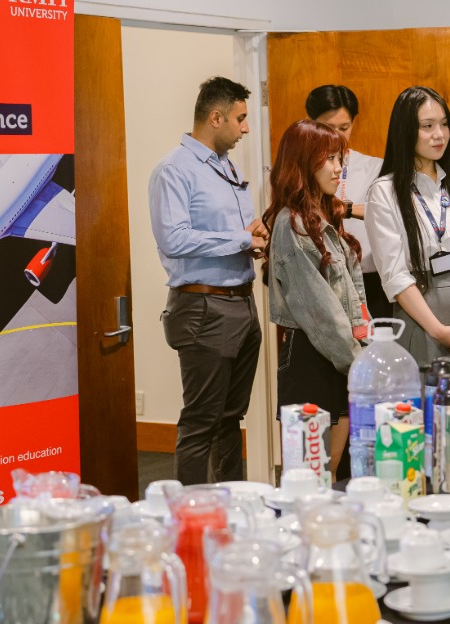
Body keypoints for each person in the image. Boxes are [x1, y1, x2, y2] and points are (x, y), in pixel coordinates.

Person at [149, 76, 268, 485]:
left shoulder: (226, 166)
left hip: (241, 302)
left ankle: (230, 508)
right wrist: (239, 237)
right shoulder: (174, 170)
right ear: (216, 117)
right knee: (201, 422)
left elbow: (225, 233)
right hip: (204, 307)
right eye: (240, 118)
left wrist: (251, 236)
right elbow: (175, 238)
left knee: (230, 419)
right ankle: (190, 518)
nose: (245, 128)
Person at [364, 86, 450, 389]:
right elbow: (396, 277)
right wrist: (439, 331)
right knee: (425, 424)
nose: (439, 134)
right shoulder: (384, 192)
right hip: (422, 323)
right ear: (405, 131)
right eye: (427, 126)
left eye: (444, 124)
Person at [265, 119, 368, 477]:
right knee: (308, 479)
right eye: (329, 159)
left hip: (339, 356)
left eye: (340, 159)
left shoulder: (322, 219)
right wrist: (361, 366)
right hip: (311, 357)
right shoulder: (290, 224)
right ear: (304, 162)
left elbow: (352, 301)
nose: (339, 169)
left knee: (333, 472)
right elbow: (321, 312)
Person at [305, 84, 389, 319]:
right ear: (311, 124)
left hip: (371, 282)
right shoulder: (300, 171)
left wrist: (347, 209)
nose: (337, 136)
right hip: (321, 282)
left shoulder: (374, 168)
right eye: (328, 128)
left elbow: (392, 212)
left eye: (344, 127)